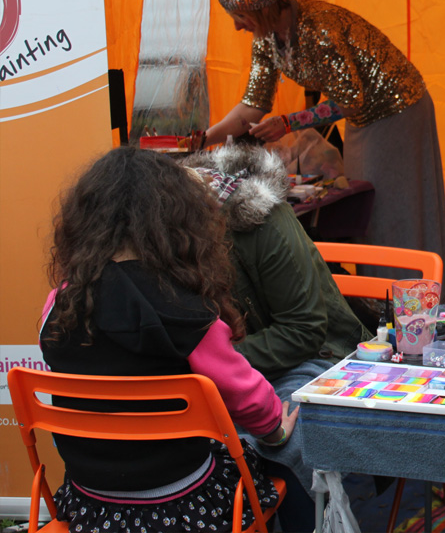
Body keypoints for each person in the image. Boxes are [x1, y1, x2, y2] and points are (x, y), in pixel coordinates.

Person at [38, 146, 298, 533]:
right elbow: (246, 396)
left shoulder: (59, 303)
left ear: (85, 221)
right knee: (270, 465)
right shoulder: (188, 312)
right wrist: (275, 427)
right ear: (177, 221)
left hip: (89, 502)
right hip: (184, 503)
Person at [204, 0, 445, 278]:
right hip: (362, 118)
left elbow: (350, 100)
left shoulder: (319, 28)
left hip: (398, 109)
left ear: (261, 9)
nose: (238, 26)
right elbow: (253, 105)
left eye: (240, 16)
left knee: (392, 209)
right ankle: (379, 291)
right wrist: (204, 138)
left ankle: (409, 290)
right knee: (366, 208)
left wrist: (288, 123)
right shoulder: (265, 39)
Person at [184, 143, 371, 531]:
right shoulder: (147, 243)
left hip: (311, 355)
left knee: (284, 440)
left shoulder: (261, 220)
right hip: (214, 369)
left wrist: (213, 364)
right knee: (183, 443)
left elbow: (303, 331)